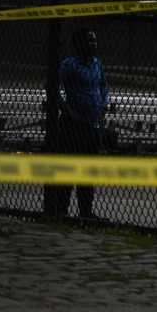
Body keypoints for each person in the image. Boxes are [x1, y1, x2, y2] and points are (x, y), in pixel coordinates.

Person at [45, 28, 110, 220]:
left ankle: (86, 211)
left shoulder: (97, 64)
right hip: (73, 124)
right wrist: (66, 109)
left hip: (92, 124)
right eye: (90, 41)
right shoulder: (70, 65)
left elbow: (104, 85)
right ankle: (61, 209)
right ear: (78, 44)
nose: (94, 45)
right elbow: (51, 85)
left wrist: (104, 104)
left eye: (95, 41)